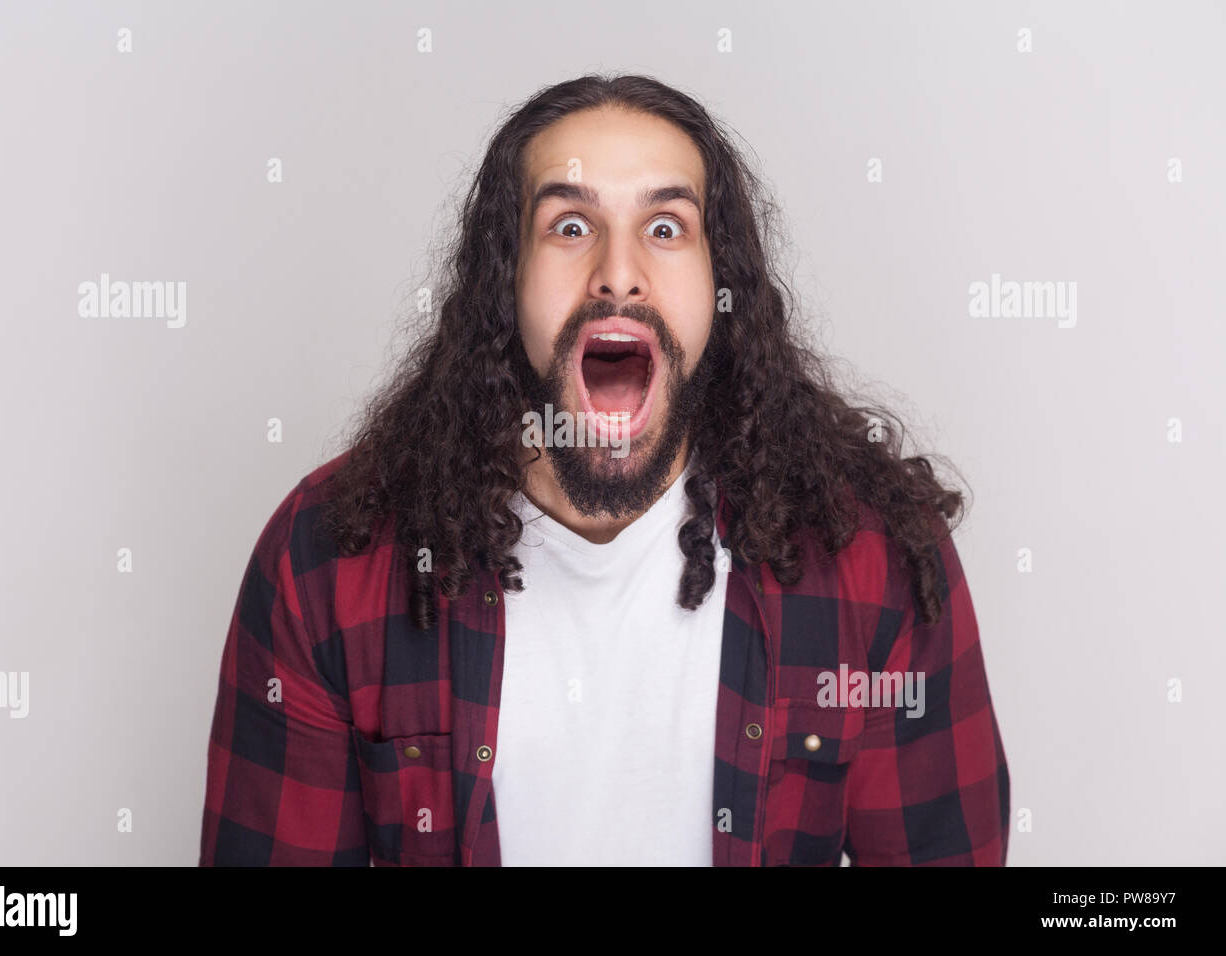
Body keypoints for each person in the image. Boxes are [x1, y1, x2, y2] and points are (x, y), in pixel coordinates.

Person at [199, 73, 1010, 866]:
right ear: (505, 283)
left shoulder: (868, 556)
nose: (619, 273)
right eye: (569, 227)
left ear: (719, 286)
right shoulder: (331, 555)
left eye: (666, 229)